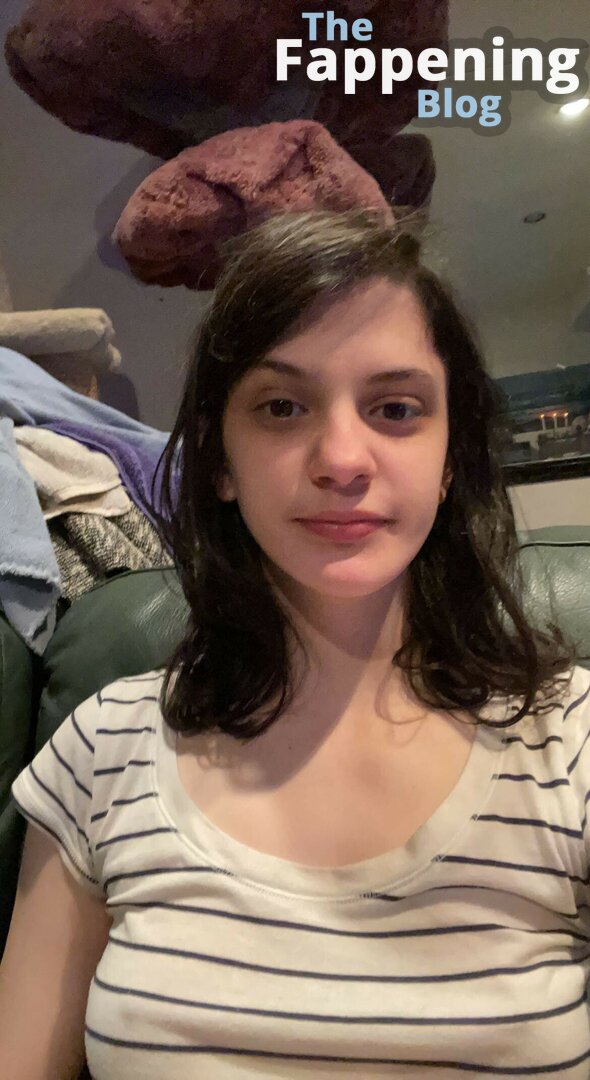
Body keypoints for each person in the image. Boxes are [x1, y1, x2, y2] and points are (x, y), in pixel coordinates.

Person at [1, 209, 588, 1080]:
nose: (342, 458)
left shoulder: (572, 745)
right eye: (281, 407)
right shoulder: (102, 749)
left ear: (450, 457)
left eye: (396, 408)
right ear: (220, 461)